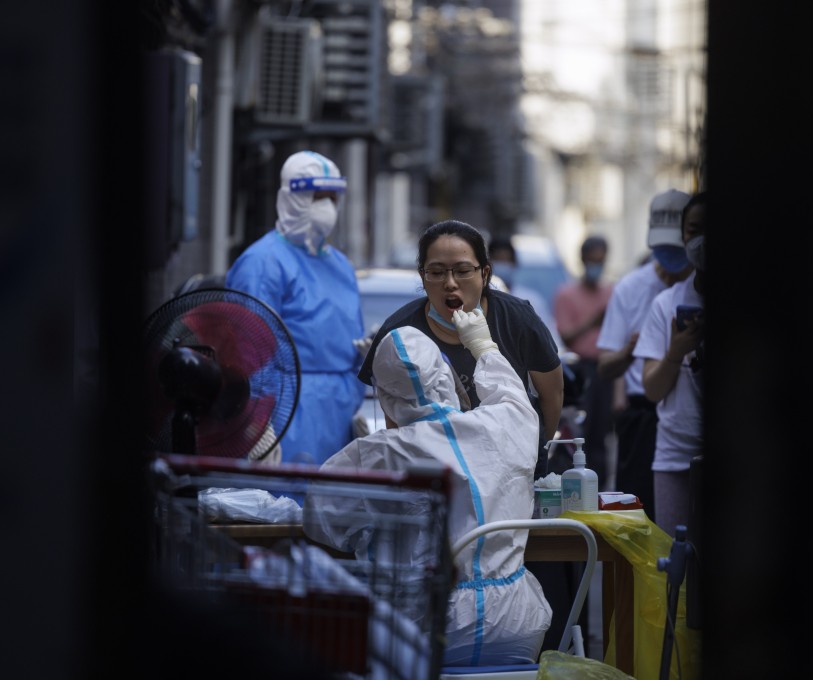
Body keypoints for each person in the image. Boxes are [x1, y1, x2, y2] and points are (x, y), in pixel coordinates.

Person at [306, 315, 552, 667]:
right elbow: (513, 396)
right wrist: (484, 346)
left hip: (429, 631)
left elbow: (322, 523)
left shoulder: (376, 453)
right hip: (518, 626)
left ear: (385, 398)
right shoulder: (504, 425)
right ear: (447, 377)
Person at [357, 220, 563, 479]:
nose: (450, 283)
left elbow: (552, 394)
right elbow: (397, 422)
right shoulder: (399, 332)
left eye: (463, 270)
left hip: (515, 468)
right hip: (437, 473)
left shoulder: (517, 319)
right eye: (437, 272)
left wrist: (531, 448)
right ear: (422, 276)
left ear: (484, 274)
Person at [225, 150, 365, 466]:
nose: (327, 207)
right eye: (317, 196)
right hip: (285, 413)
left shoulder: (340, 265)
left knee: (331, 507)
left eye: (332, 197)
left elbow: (352, 342)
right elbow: (246, 353)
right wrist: (256, 422)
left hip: (339, 412)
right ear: (293, 196)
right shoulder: (263, 263)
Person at [596, 189, 694, 521]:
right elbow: (605, 366)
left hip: (690, 418)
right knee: (635, 520)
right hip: (643, 417)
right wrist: (630, 350)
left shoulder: (701, 288)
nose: (670, 255)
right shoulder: (630, 288)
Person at [633, 191, 708, 535]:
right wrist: (677, 350)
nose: (703, 237)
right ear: (683, 235)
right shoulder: (667, 305)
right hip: (675, 457)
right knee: (675, 569)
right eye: (695, 228)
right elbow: (651, 388)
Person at [553, 236, 615, 485]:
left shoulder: (612, 292)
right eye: (592, 260)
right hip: (580, 368)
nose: (595, 265)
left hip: (606, 368)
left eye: (600, 261)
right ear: (582, 259)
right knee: (579, 432)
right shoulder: (567, 294)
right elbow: (566, 336)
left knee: (601, 432)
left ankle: (599, 487)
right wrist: (594, 321)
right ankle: (574, 484)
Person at [488, 236, 563, 351]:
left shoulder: (532, 299)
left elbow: (549, 336)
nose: (503, 266)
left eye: (506, 261)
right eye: (498, 261)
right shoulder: (478, 298)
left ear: (514, 263)